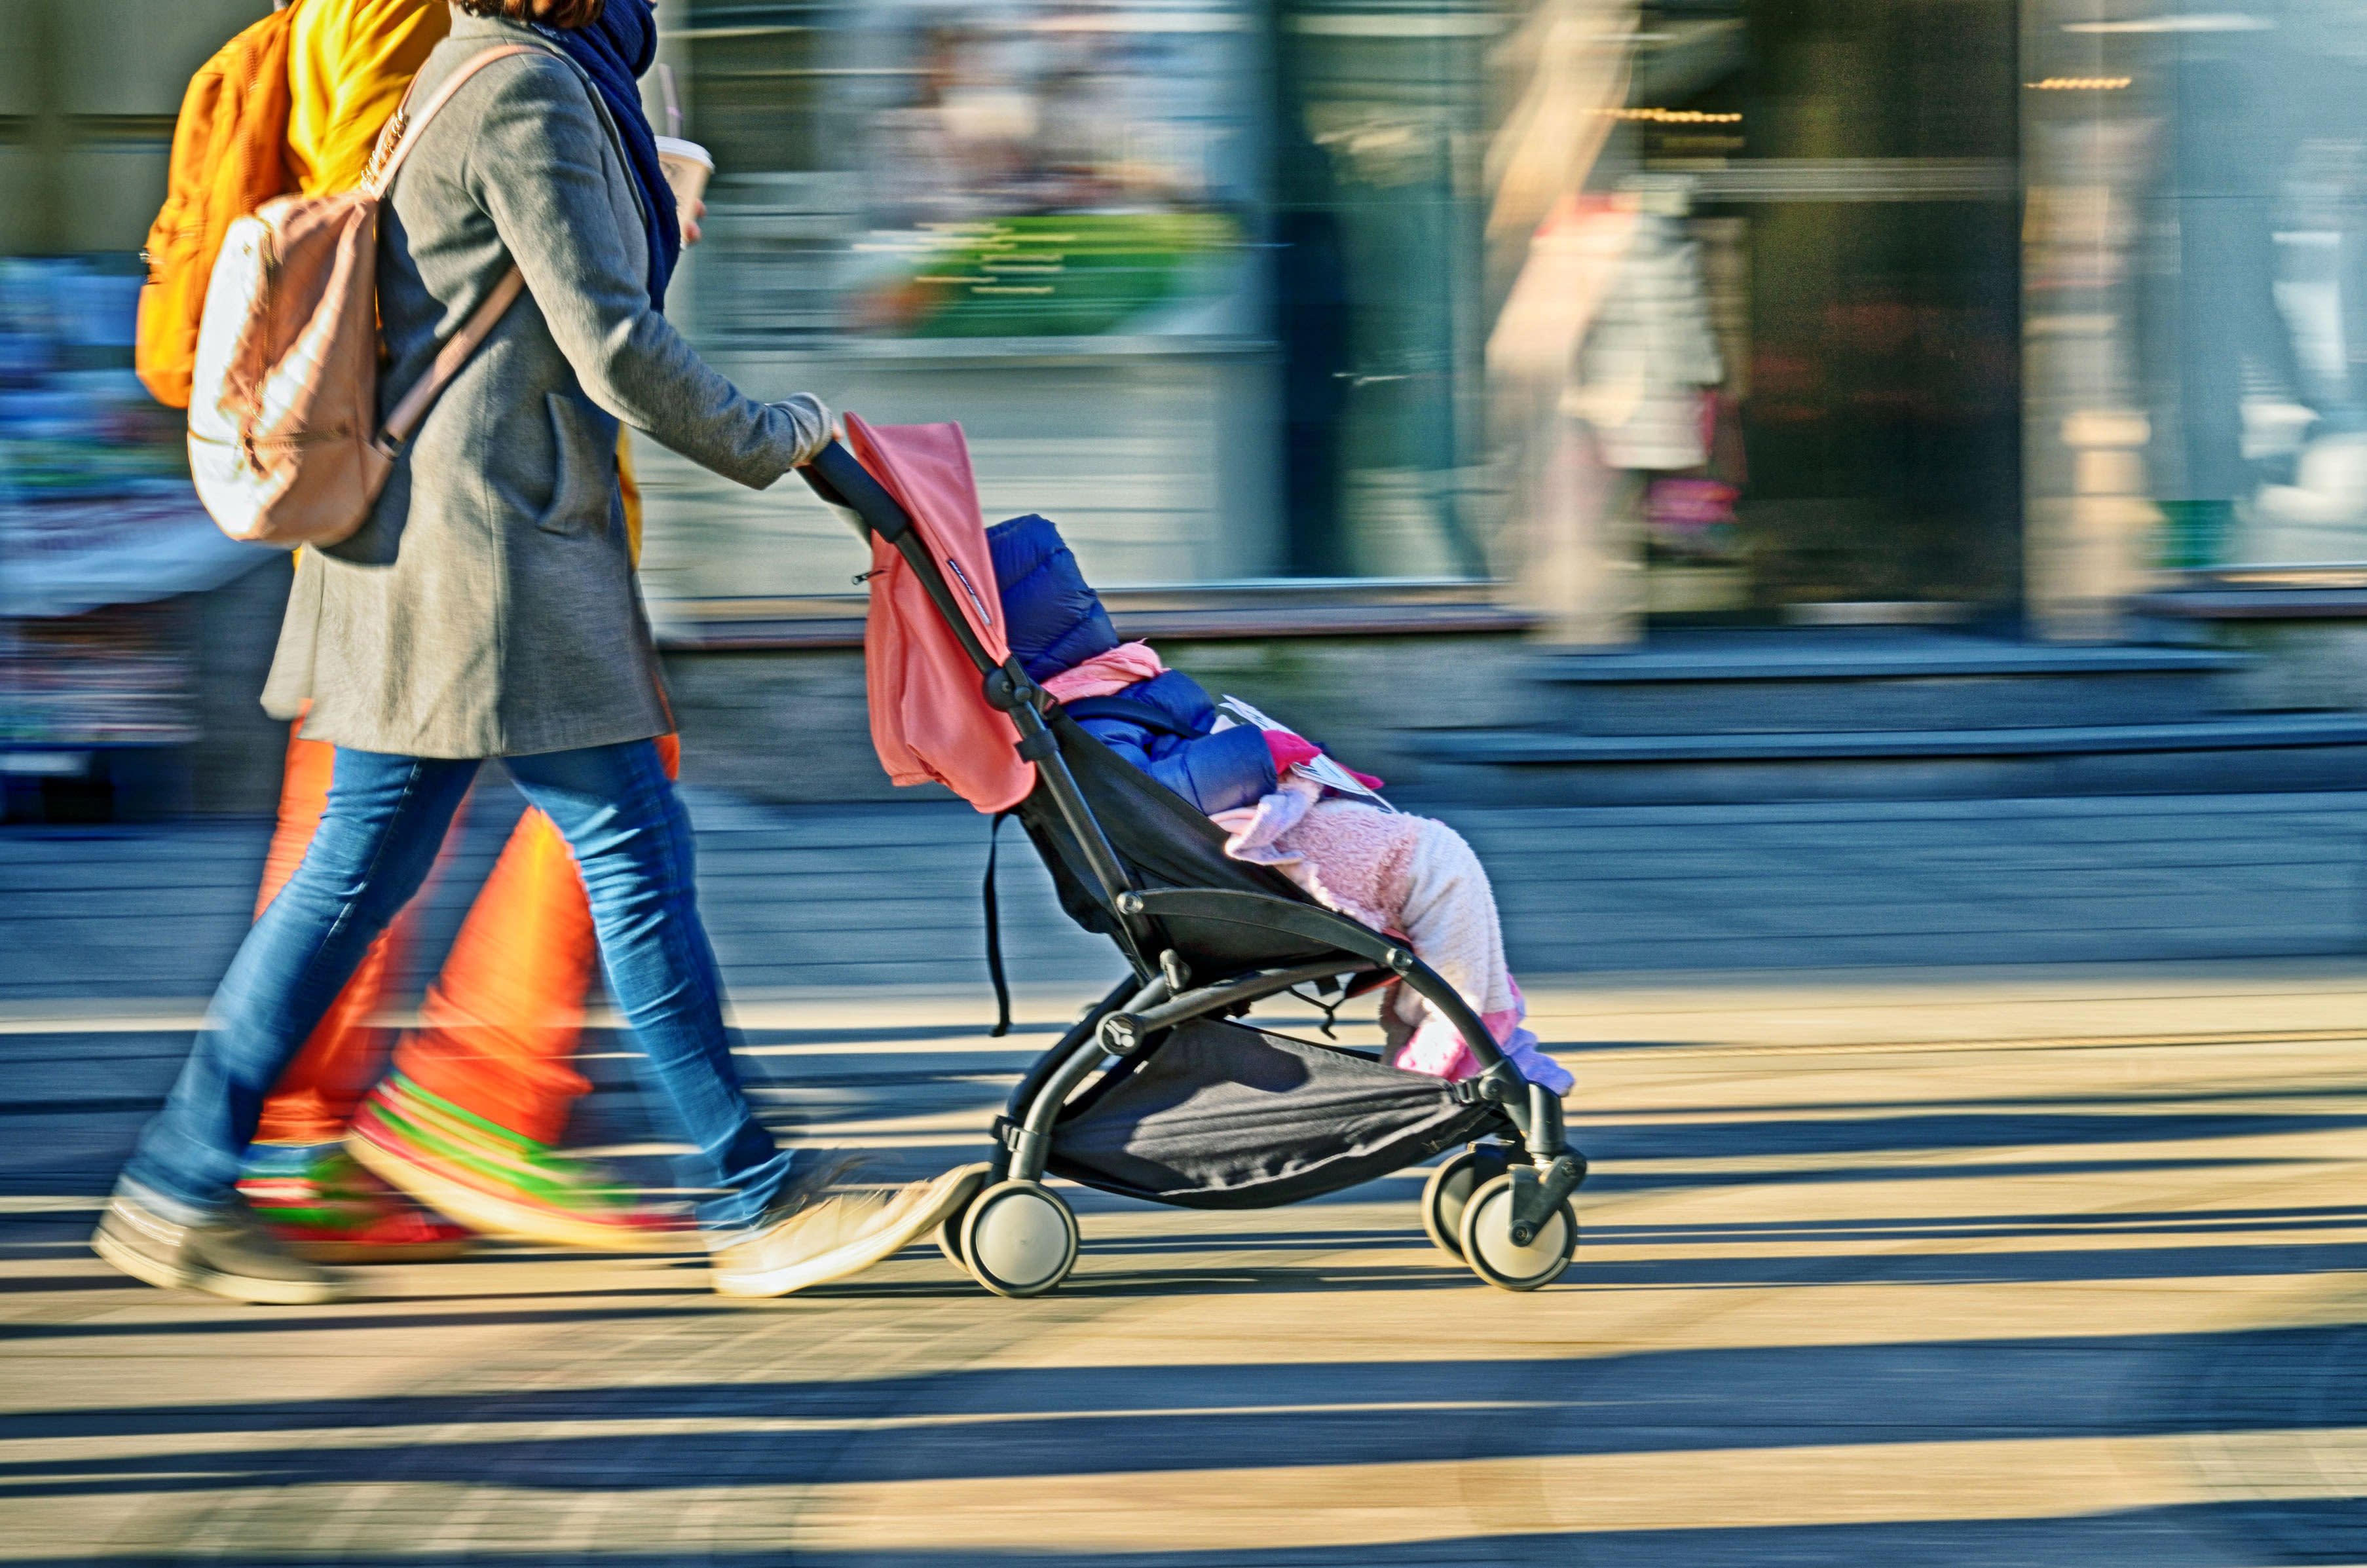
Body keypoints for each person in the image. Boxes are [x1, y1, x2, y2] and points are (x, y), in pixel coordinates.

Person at [94, 0, 973, 1305]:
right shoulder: (527, 93)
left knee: (353, 878)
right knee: (630, 860)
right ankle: (756, 1202)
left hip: (430, 550)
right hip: (493, 559)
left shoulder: (477, 70)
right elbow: (612, 343)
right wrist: (780, 435)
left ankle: (174, 1185)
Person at [238, 0, 705, 1262]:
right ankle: (446, 1102)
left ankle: (291, 1128)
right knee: (547, 796)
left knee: (370, 807)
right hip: (468, 511)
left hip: (457, 505)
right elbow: (416, 239)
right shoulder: (431, 27)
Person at [987, 513, 1573, 1095]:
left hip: (1224, 845)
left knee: (1434, 878)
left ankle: (1463, 1035)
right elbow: (1156, 797)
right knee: (1437, 861)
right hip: (1227, 857)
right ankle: (1464, 1041)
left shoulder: (1093, 696)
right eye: (1079, 597)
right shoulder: (1083, 715)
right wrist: (1260, 753)